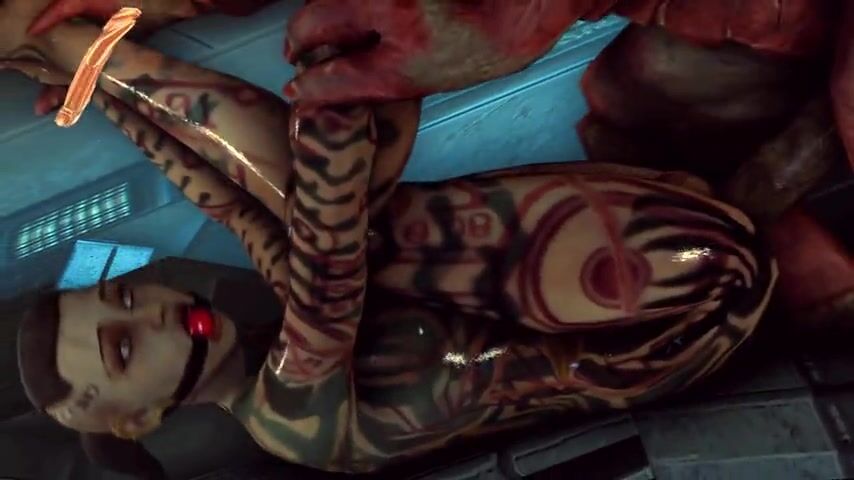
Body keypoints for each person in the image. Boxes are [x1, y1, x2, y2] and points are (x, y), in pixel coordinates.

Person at [1, 3, 778, 478]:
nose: (154, 314)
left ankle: (60, 44)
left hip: (670, 270)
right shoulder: (291, 422)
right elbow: (326, 257)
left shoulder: (265, 354)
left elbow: (238, 211)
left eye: (124, 296)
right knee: (351, 223)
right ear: (139, 419)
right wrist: (93, 58)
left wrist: (99, 88)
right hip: (690, 302)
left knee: (326, 213)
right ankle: (59, 41)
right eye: (125, 348)